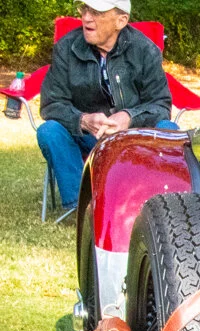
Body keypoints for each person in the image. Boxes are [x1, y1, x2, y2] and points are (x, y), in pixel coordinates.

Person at [38, 1, 176, 213]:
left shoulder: (145, 50)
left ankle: (158, 205)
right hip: (85, 136)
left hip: (132, 139)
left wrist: (129, 117)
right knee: (49, 131)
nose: (86, 17)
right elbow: (51, 104)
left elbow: (161, 104)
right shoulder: (66, 48)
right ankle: (81, 208)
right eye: (84, 9)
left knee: (170, 130)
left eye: (96, 12)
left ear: (121, 20)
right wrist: (83, 120)